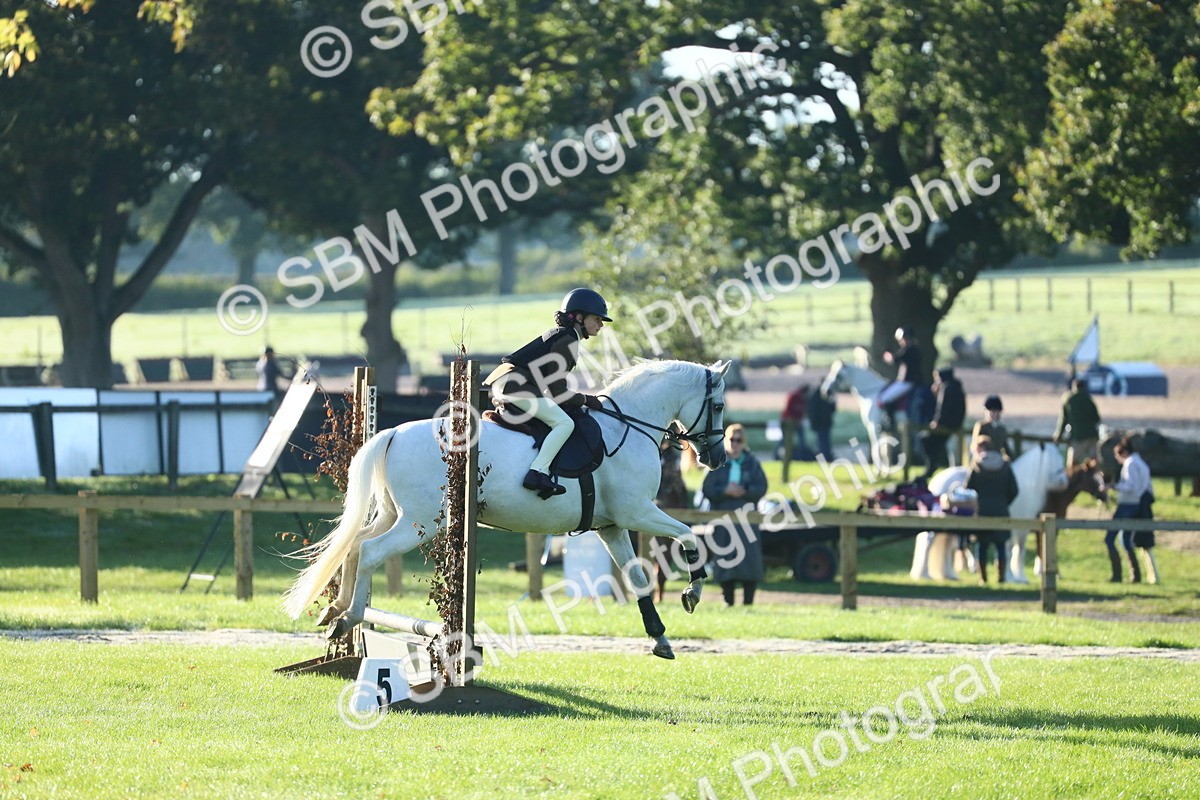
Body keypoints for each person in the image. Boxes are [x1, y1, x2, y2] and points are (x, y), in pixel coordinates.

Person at [484, 288, 609, 498]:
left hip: (509, 382)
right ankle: (538, 472)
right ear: (579, 317)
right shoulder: (569, 339)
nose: (601, 324)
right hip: (516, 386)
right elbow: (556, 391)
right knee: (564, 423)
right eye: (596, 319)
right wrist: (586, 399)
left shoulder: (564, 335)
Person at [701, 424, 768, 606]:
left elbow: (761, 487)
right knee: (725, 560)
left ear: (743, 442)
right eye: (731, 439)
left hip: (747, 521)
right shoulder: (717, 463)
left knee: (749, 560)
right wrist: (725, 491)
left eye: (738, 440)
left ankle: (748, 603)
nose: (735, 444)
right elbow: (707, 488)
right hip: (723, 521)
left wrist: (744, 490)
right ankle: (727, 601)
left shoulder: (752, 464)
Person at [966, 436, 1019, 584]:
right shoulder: (1005, 466)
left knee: (982, 546)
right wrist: (1003, 503)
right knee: (1000, 545)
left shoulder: (976, 466)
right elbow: (1014, 490)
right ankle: (1001, 578)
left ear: (981, 449)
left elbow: (968, 491)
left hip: (982, 512)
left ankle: (983, 578)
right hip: (1001, 511)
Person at [1107, 437, 1153, 584]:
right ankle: (1135, 576)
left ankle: (1117, 575)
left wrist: (1114, 487)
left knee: (1110, 538)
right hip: (1134, 504)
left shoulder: (1131, 464)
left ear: (1123, 452)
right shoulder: (1139, 462)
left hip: (1127, 505)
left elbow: (1132, 487)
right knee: (1126, 540)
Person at [921, 366, 966, 478]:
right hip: (956, 424)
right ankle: (933, 465)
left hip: (946, 425)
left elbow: (942, 408)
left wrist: (937, 422)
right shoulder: (957, 387)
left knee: (925, 440)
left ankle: (932, 465)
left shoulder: (946, 388)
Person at [877, 327, 927, 424]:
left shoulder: (910, 349)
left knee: (885, 398)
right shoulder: (915, 348)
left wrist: (887, 355)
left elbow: (895, 359)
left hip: (908, 382)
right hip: (910, 381)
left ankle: (891, 423)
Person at [1054, 378, 1101, 468]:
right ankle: (1094, 480)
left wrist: (1059, 434)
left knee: (1072, 466)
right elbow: (1097, 419)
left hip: (1077, 437)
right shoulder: (1088, 398)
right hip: (1092, 436)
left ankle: (1073, 481)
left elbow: (1063, 419)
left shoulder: (1068, 398)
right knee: (1094, 463)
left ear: (1073, 387)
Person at [971, 395, 1013, 461]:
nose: (992, 413)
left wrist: (1012, 459)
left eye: (995, 411)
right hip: (983, 459)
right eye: (990, 411)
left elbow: (1006, 448)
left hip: (997, 459)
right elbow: (975, 446)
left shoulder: (1002, 429)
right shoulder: (981, 426)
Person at [780, 383, 811, 461]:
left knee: (802, 439)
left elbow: (803, 411)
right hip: (788, 422)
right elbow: (788, 409)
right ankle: (781, 455)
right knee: (785, 440)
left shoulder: (804, 399)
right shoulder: (794, 396)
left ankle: (802, 455)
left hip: (798, 422)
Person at [807, 384, 836, 461]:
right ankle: (825, 457)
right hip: (822, 423)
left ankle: (825, 457)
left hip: (822, 423)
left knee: (822, 442)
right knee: (823, 442)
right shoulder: (822, 395)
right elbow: (832, 408)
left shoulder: (815, 395)